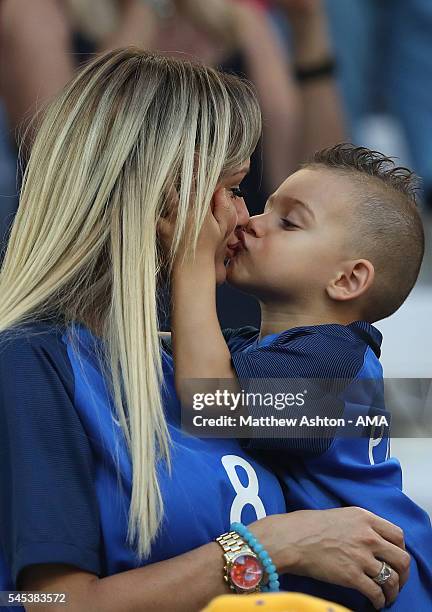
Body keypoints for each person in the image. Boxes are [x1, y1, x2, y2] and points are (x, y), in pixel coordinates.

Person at [0, 51, 410, 612]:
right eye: (235, 190)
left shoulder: (220, 361)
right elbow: (42, 603)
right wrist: (268, 548)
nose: (246, 218)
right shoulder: (30, 360)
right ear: (161, 194)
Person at [165, 143, 432, 610]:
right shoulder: (265, 348)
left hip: (394, 591)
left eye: (288, 223)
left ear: (348, 280)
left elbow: (209, 406)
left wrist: (189, 259)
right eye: (266, 208)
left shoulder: (335, 363)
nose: (251, 222)